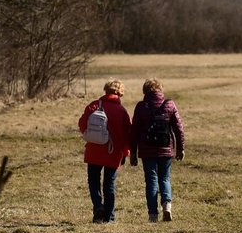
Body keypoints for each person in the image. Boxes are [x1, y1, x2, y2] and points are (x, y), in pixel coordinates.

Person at [130, 78, 185, 222]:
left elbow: (134, 131)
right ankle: (167, 205)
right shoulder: (170, 104)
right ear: (160, 90)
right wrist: (181, 148)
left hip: (147, 150)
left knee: (151, 180)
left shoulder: (141, 106)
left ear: (145, 91)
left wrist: (133, 153)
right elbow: (179, 129)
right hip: (165, 148)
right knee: (165, 178)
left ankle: (153, 214)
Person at [78, 79, 132, 223]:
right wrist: (126, 152)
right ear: (120, 92)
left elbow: (82, 123)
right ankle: (110, 217)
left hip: (94, 150)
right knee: (109, 184)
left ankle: (98, 207)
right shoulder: (121, 111)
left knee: (93, 181)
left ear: (106, 90)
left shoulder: (94, 105)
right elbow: (127, 134)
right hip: (113, 152)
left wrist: (89, 136)